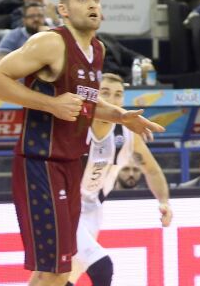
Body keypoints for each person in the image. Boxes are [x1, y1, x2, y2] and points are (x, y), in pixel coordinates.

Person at [0, 0, 163, 286]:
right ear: (63, 10)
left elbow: (84, 100)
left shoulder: (97, 50)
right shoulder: (50, 42)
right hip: (40, 162)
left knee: (59, 271)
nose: (92, 4)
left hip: (70, 165)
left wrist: (120, 116)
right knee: (56, 271)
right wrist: (50, 104)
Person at [70, 74, 172, 286]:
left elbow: (152, 170)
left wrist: (163, 202)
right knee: (102, 267)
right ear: (94, 96)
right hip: (65, 209)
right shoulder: (75, 126)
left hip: (93, 211)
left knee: (63, 278)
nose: (113, 99)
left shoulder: (127, 134)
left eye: (118, 95)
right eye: (105, 93)